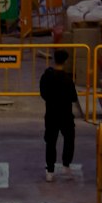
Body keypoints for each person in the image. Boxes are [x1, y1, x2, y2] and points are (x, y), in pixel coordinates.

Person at [39, 49, 84, 181]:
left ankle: (50, 170)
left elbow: (43, 94)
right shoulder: (67, 79)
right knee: (69, 138)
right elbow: (74, 97)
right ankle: (66, 164)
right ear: (65, 61)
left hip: (51, 114)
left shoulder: (47, 76)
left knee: (51, 142)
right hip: (65, 115)